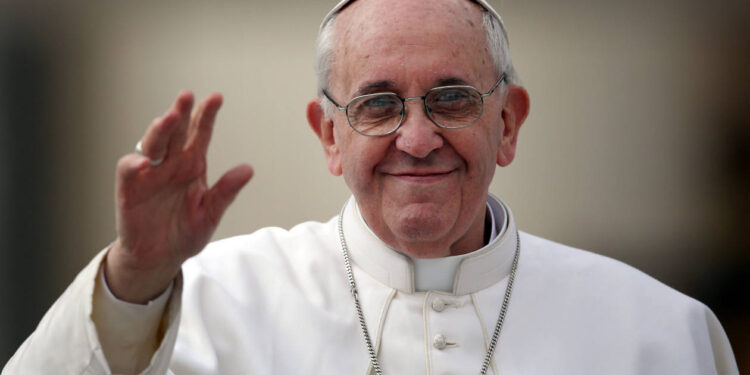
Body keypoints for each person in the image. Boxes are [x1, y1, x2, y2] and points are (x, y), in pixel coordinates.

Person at [3, 0, 739, 374]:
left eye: (450, 98)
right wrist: (133, 278)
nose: (416, 139)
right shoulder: (209, 304)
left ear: (508, 123)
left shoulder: (657, 335)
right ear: (330, 136)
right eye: (378, 105)